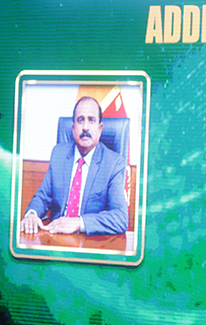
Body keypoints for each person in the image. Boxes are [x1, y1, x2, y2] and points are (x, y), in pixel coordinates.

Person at [21, 96, 128, 236]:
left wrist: (79, 222)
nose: (85, 127)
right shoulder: (59, 153)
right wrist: (32, 214)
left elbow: (120, 218)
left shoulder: (113, 163)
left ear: (100, 128)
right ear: (73, 128)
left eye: (91, 120)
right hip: (55, 239)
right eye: (80, 120)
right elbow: (43, 196)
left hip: (90, 243)